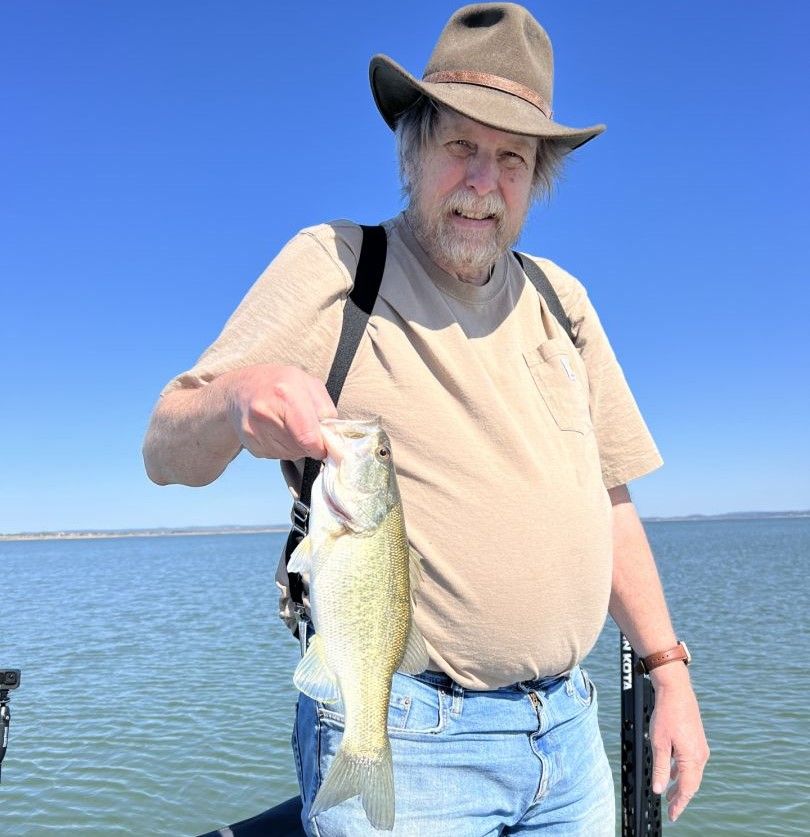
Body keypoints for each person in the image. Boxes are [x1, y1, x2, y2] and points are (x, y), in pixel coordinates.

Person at [143, 4, 709, 834]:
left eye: (511, 157)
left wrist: (670, 671)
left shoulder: (564, 301)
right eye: (460, 147)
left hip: (570, 733)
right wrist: (234, 400)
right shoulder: (339, 264)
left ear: (536, 178)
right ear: (412, 150)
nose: (483, 181)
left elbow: (611, 503)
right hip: (408, 734)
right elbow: (165, 446)